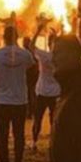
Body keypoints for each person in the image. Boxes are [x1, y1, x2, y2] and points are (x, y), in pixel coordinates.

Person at [0, 25, 36, 162]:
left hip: (1, 102)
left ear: (3, 37)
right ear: (17, 37)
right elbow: (33, 72)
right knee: (19, 135)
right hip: (20, 101)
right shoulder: (25, 55)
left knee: (2, 137)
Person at [29, 21, 61, 152]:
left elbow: (31, 46)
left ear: (48, 44)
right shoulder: (60, 58)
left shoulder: (44, 56)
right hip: (55, 92)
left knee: (38, 119)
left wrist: (38, 30)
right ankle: (53, 143)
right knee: (54, 120)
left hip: (42, 91)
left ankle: (34, 142)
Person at [23, 36, 40, 120]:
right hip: (31, 76)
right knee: (31, 94)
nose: (23, 43)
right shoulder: (30, 52)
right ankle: (31, 111)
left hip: (30, 76)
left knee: (30, 94)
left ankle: (30, 112)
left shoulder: (28, 52)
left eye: (25, 41)